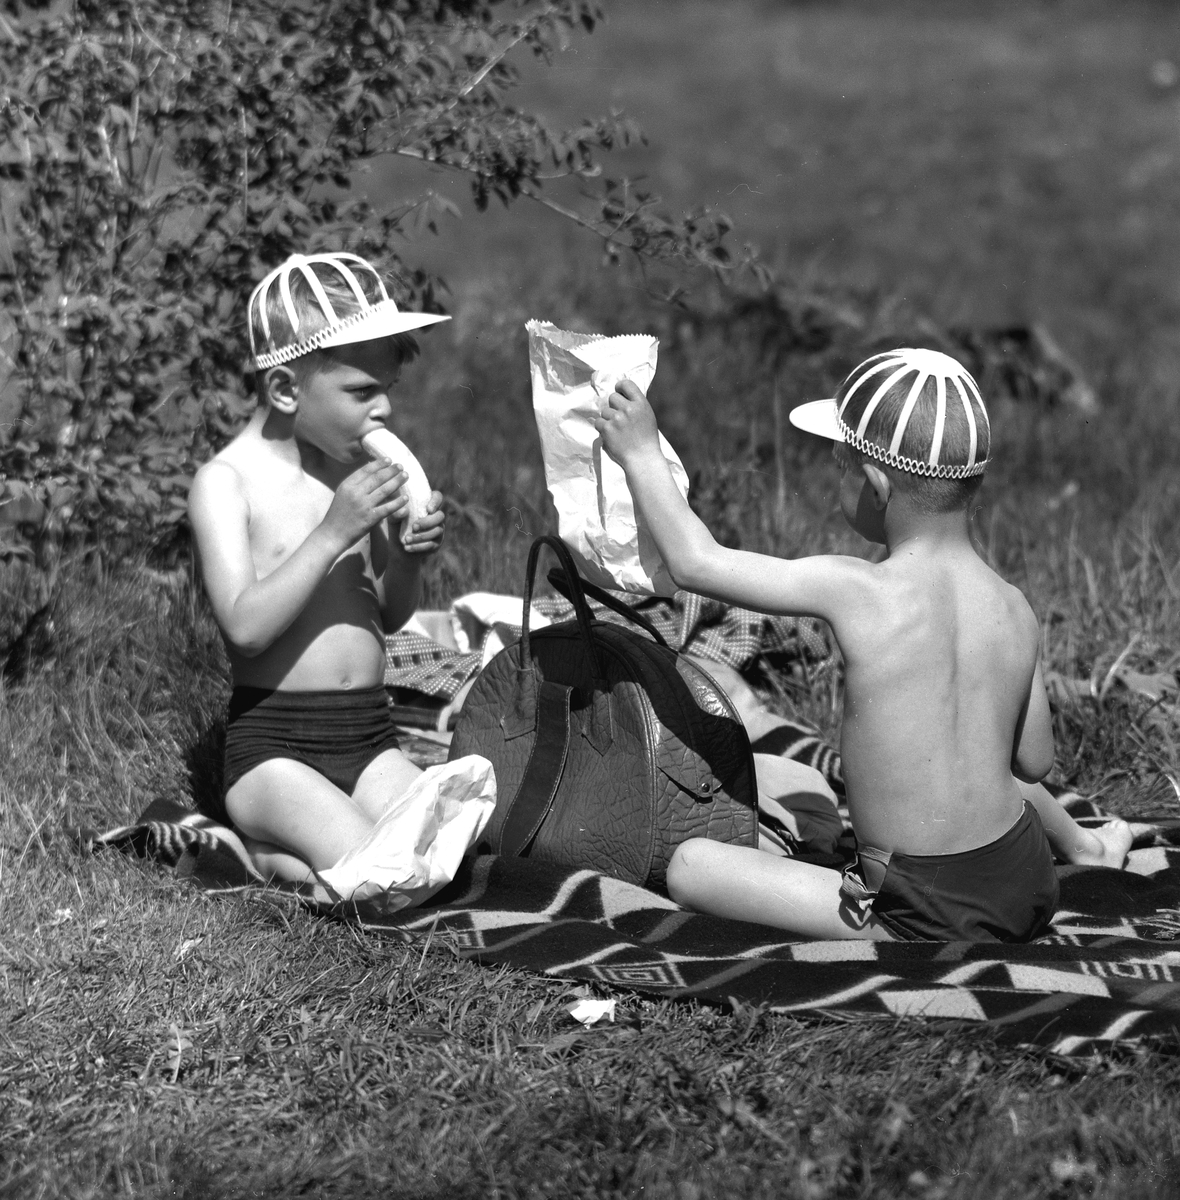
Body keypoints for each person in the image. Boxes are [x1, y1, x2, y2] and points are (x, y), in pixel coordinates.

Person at [595, 347, 1132, 941]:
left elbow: (696, 563)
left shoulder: (857, 589)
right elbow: (1032, 763)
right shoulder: (1013, 605)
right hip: (1027, 884)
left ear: (876, 484)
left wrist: (641, 452)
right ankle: (1085, 847)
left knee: (691, 866)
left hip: (921, 910)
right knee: (983, 746)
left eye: (841, 464)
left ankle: (895, 922)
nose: (837, 479)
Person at [188, 251, 471, 885]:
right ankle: (263, 851)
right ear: (286, 389)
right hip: (275, 748)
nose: (385, 410)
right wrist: (334, 532)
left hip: (368, 736)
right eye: (362, 392)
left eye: (389, 390)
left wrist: (407, 558)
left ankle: (300, 854)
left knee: (447, 860)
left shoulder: (353, 472)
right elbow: (244, 629)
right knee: (381, 874)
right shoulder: (227, 483)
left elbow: (388, 616)